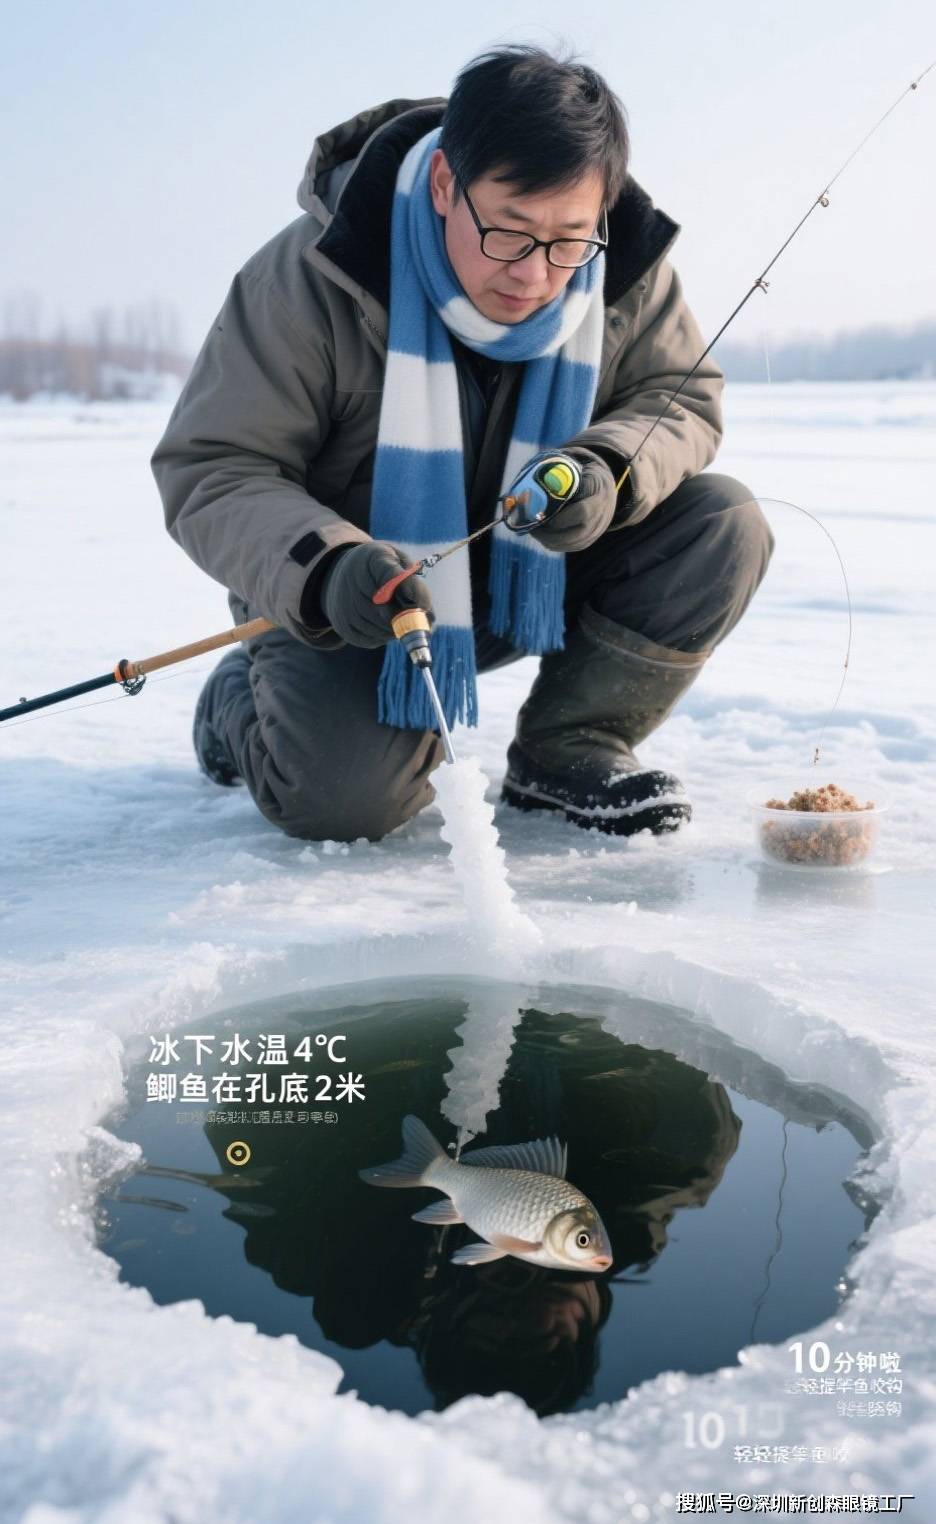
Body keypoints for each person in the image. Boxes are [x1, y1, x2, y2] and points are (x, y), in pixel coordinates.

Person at [151, 44, 773, 843]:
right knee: (346, 806)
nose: (537, 274)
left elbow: (679, 395)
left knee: (724, 521)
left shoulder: (624, 269)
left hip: (530, 573)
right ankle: (235, 700)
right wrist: (330, 566)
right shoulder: (311, 277)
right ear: (446, 185)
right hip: (359, 598)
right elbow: (215, 465)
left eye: (568, 240)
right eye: (510, 231)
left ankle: (569, 748)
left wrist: (606, 472)